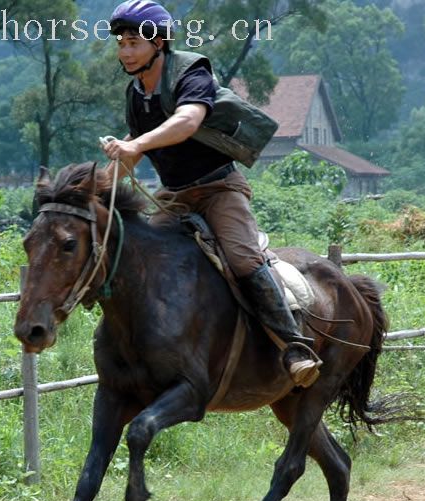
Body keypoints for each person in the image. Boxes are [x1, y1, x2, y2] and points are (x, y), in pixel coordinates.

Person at [102, 0, 321, 388]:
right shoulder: (135, 94)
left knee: (242, 259)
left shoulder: (191, 70)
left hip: (220, 189)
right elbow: (132, 150)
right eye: (121, 43)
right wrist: (98, 188)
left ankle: (294, 347)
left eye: (134, 42)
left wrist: (134, 146)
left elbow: (187, 121)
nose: (125, 51)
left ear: (160, 43)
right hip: (173, 197)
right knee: (142, 258)